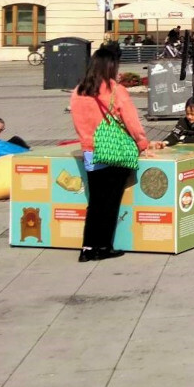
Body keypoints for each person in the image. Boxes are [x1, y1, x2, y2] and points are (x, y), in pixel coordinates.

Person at [70, 45, 152, 262]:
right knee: (110, 202)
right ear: (111, 66)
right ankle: (104, 246)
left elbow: (78, 123)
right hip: (114, 152)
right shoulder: (116, 90)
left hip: (90, 151)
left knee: (95, 201)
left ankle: (87, 248)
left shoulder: (78, 91)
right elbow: (132, 123)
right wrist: (143, 144)